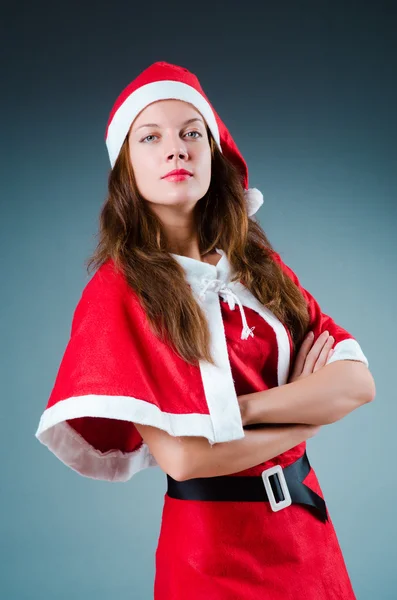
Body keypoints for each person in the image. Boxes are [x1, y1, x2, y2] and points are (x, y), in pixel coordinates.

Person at [35, 61, 375, 599]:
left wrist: (242, 414)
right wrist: (306, 416)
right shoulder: (119, 291)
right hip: (209, 555)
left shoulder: (259, 267)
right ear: (127, 165)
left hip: (307, 539)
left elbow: (358, 384)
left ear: (213, 153)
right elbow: (186, 457)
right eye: (151, 137)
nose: (176, 149)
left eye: (192, 133)